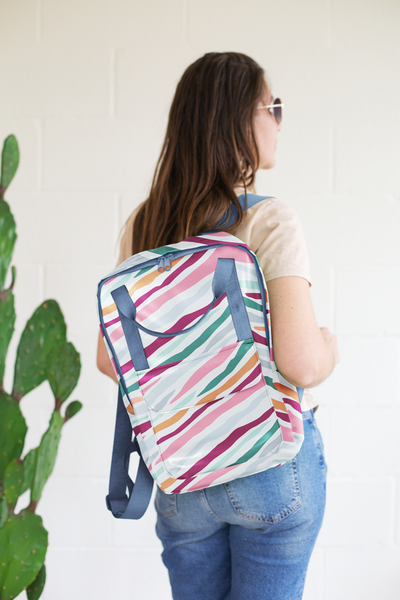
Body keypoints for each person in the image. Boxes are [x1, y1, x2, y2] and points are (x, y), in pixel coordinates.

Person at [97, 52, 339, 600]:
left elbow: (110, 358)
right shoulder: (270, 219)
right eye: (271, 107)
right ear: (235, 120)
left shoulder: (146, 222)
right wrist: (331, 346)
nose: (278, 120)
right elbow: (300, 361)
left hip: (182, 476)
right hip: (270, 468)